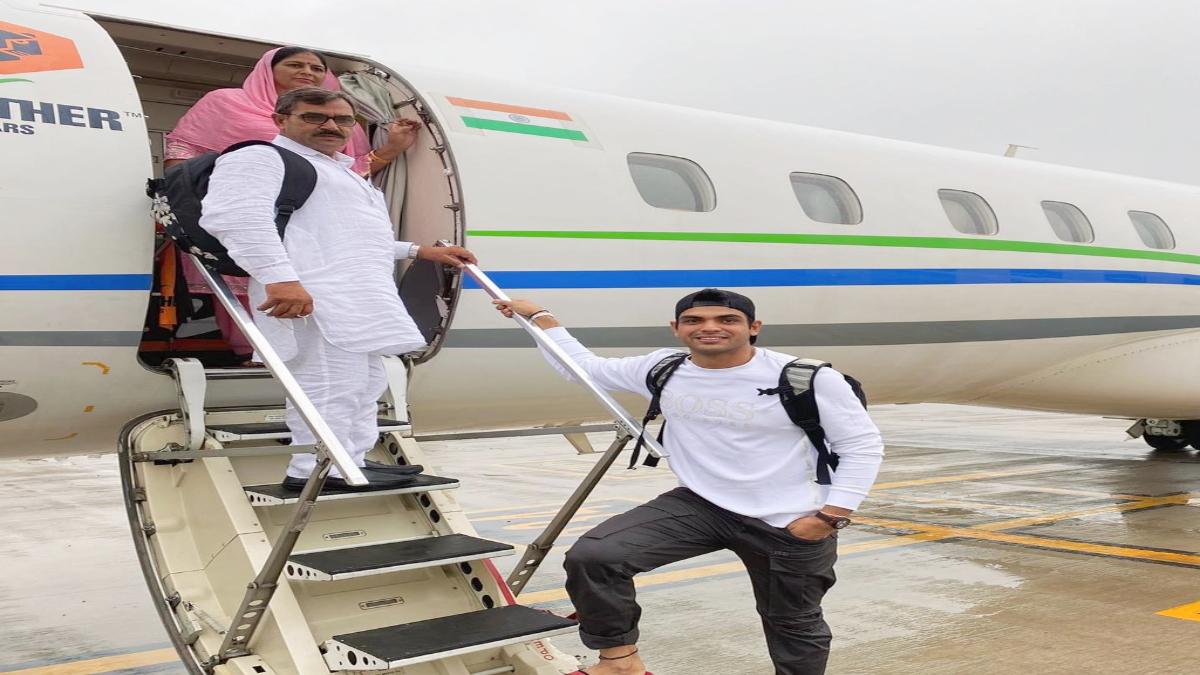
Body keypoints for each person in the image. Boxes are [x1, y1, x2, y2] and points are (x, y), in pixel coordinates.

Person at [493, 289, 884, 675]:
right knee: (595, 557)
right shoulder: (664, 367)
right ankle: (620, 662)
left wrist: (829, 517)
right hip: (702, 505)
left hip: (789, 517)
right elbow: (582, 368)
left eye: (727, 319)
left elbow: (861, 446)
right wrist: (540, 318)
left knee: (793, 623)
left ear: (753, 327)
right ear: (676, 328)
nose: (709, 327)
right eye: (694, 320)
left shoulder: (807, 378)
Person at [199, 87, 476, 489]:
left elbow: (354, 239)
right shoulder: (260, 157)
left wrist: (420, 251)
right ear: (281, 120)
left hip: (358, 300)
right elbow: (236, 218)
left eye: (342, 119)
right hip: (313, 297)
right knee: (328, 383)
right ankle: (316, 469)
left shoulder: (340, 172)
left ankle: (352, 459)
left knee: (364, 384)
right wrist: (280, 278)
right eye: (314, 117)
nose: (331, 126)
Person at [164, 46, 420, 363]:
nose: (307, 72)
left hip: (309, 226)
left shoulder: (341, 122)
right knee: (255, 284)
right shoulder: (227, 105)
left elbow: (345, 171)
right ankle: (249, 354)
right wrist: (186, 199)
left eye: (316, 68)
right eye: (295, 64)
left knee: (341, 356)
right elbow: (184, 152)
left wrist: (391, 149)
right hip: (243, 212)